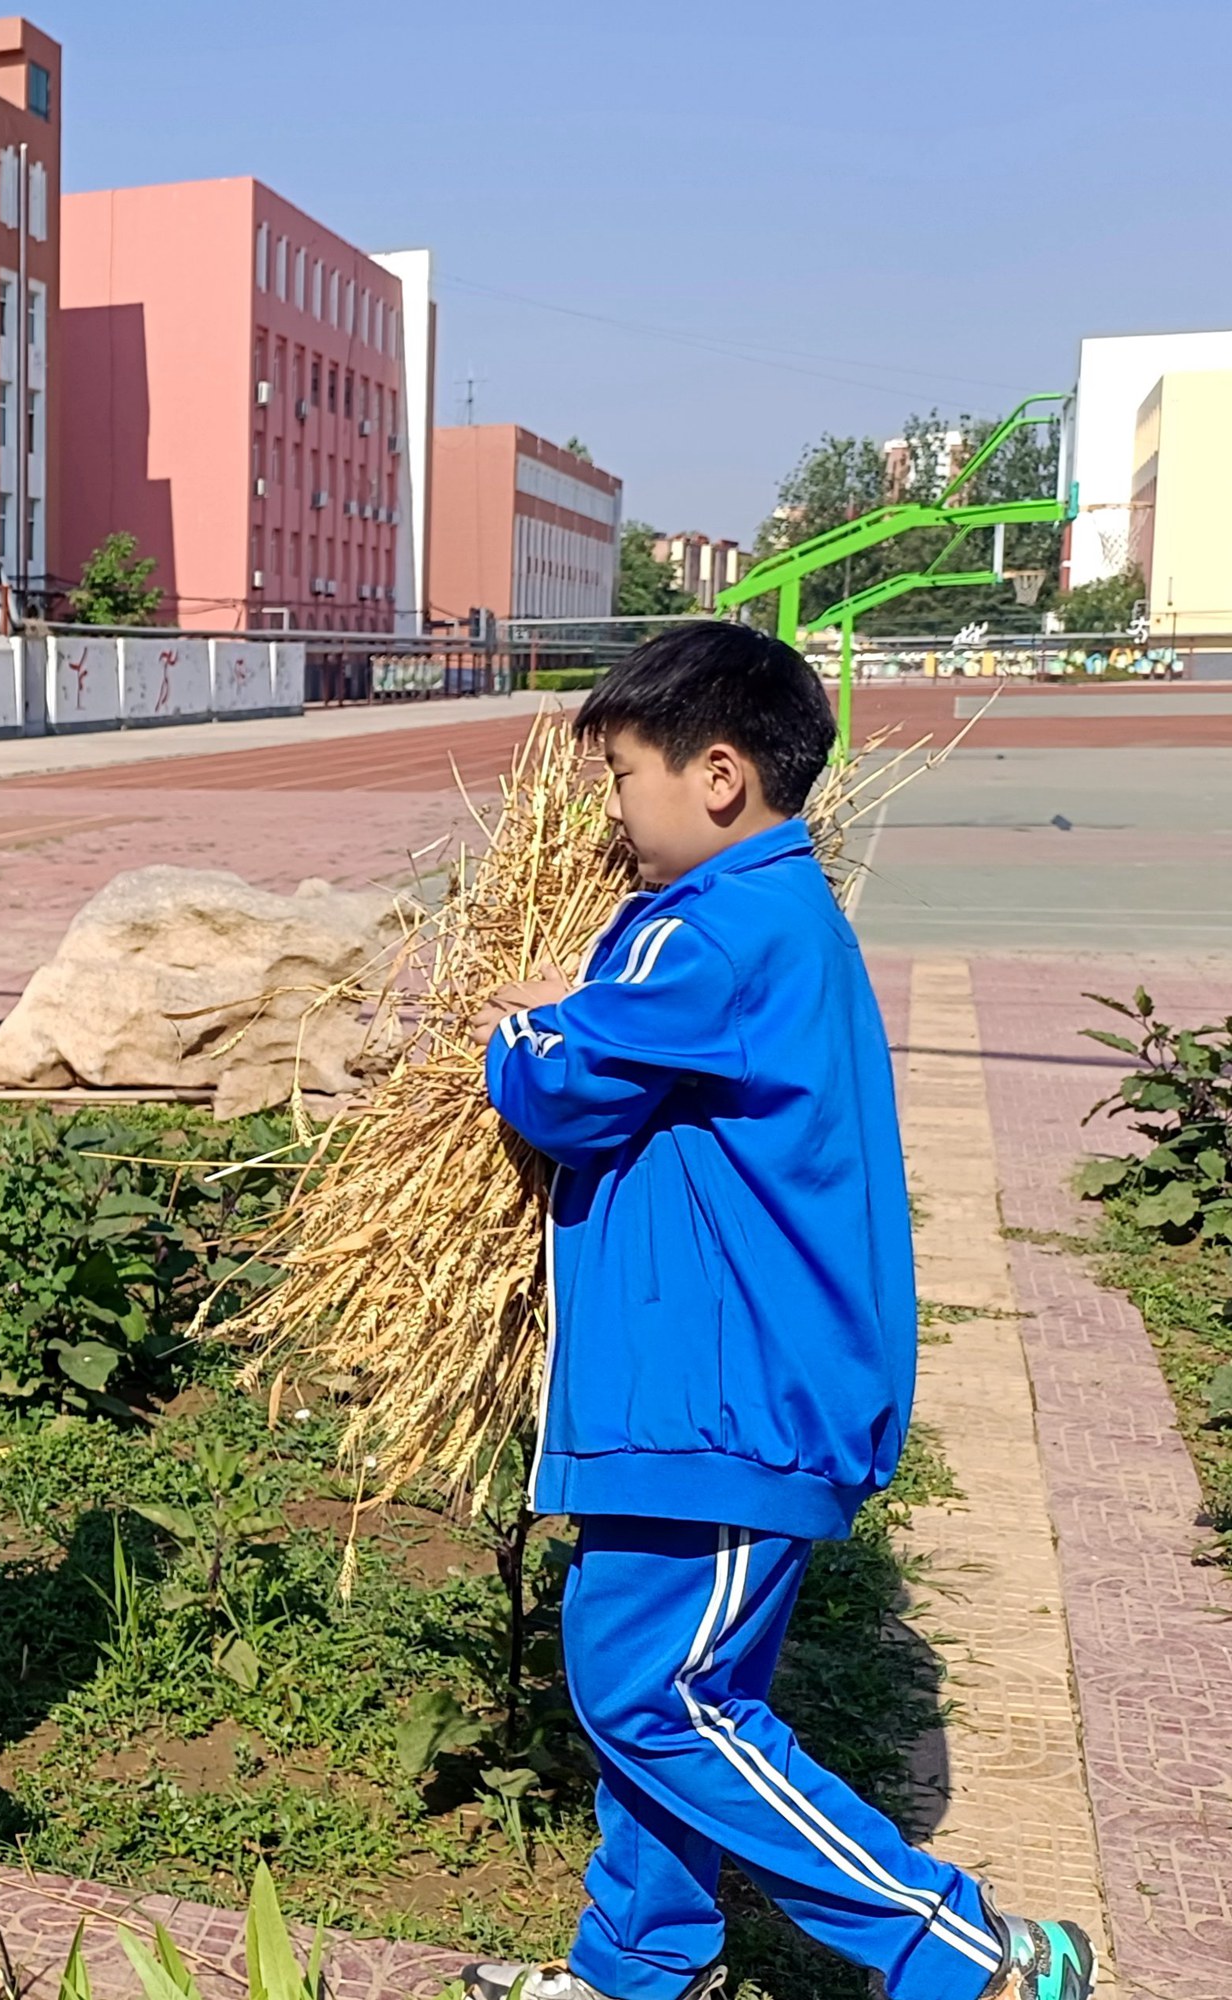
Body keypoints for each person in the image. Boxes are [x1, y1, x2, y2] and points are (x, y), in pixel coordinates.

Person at [463, 626, 1094, 2000]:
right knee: (659, 1700)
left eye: (623, 778)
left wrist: (520, 1022)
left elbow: (564, 1090)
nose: (611, 812)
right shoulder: (755, 922)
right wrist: (578, 1003)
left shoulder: (724, 934)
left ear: (721, 776)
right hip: (702, 1395)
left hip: (732, 1401)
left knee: (655, 1696)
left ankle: (962, 1953)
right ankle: (640, 1963)